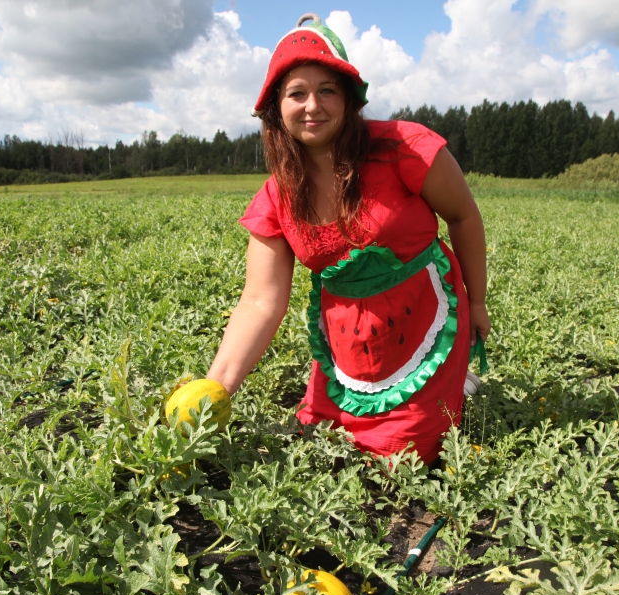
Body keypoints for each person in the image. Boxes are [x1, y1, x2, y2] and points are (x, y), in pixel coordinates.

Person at [205, 14, 490, 464]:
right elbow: (260, 300)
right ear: (276, 107)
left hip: (428, 317)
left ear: (349, 100)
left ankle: (451, 379)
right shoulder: (276, 196)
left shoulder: (405, 149)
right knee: (318, 438)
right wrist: (214, 388)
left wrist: (478, 302)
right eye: (297, 93)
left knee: (401, 456)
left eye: (327, 90)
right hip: (346, 341)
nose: (312, 105)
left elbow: (463, 216)